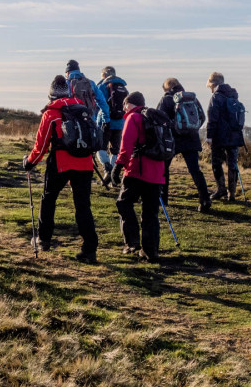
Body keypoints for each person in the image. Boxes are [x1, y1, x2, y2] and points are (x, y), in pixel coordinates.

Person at [23, 75, 99, 263]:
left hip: (61, 163)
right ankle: (89, 249)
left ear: (50, 95)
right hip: (85, 163)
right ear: (68, 92)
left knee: (48, 199)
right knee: (83, 205)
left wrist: (30, 162)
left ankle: (43, 239)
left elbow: (41, 146)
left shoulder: (51, 113)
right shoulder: (83, 109)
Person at [110, 91, 165, 262]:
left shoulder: (133, 118)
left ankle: (132, 242)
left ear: (129, 104)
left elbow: (126, 146)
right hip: (157, 172)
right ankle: (151, 251)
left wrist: (117, 167)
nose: (123, 108)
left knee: (123, 203)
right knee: (150, 212)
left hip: (137, 170)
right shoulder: (156, 119)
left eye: (124, 105)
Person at [157, 77, 211, 212]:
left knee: (164, 168)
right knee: (195, 170)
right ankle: (205, 199)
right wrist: (192, 128)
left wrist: (172, 129)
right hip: (191, 139)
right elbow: (202, 117)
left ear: (166, 88)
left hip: (172, 140)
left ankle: (163, 198)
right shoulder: (191, 98)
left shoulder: (166, 99)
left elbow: (159, 118)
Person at [205, 72, 245, 202]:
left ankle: (221, 189)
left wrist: (209, 136)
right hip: (234, 135)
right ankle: (232, 193)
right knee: (232, 164)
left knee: (216, 163)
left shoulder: (216, 97)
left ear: (212, 84)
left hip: (219, 136)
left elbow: (212, 118)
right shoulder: (233, 95)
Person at [96, 66, 128, 183]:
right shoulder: (123, 87)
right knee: (115, 149)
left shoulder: (103, 86)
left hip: (106, 122)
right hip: (120, 123)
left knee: (101, 147)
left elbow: (98, 104)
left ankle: (107, 169)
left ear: (104, 75)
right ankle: (113, 173)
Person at [65, 59, 110, 127]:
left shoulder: (66, 84)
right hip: (90, 118)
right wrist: (106, 119)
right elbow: (102, 101)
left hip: (73, 121)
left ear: (67, 73)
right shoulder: (90, 83)